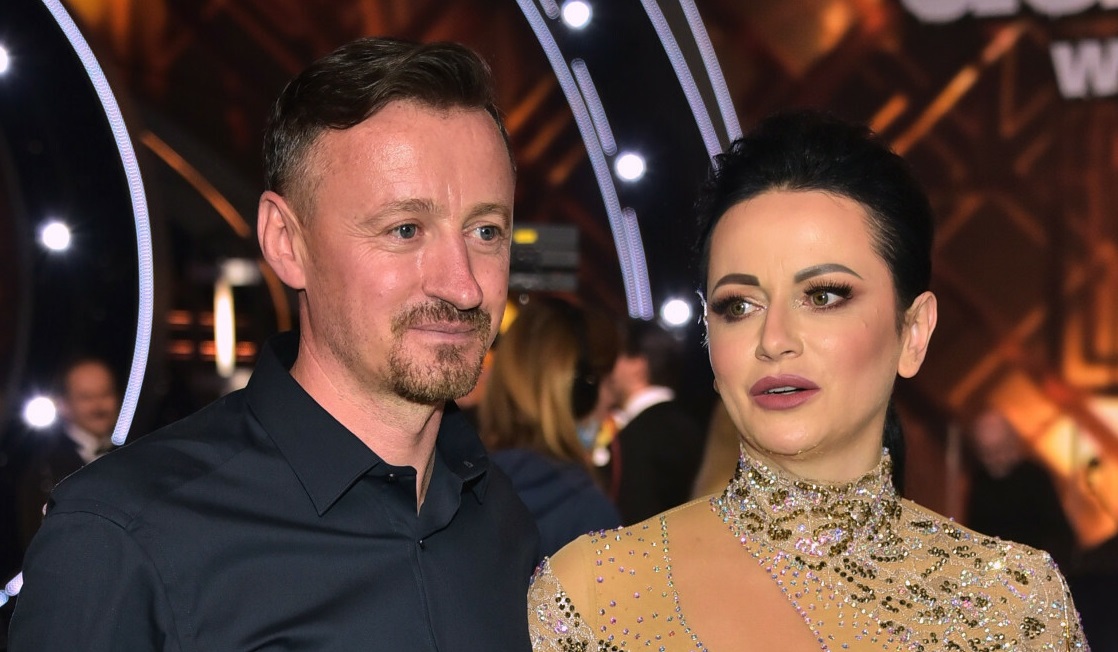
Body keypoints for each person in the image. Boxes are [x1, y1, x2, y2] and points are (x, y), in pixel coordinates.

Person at [11, 37, 538, 651]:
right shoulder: (123, 540)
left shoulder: (502, 521)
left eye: (486, 231)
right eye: (404, 229)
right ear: (286, 242)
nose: (463, 285)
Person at [527, 110, 1089, 650]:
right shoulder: (592, 593)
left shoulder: (1016, 603)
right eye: (738, 305)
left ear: (914, 332)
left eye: (823, 296)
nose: (774, 339)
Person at [480, 296, 621, 556]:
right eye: (607, 384)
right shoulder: (588, 514)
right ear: (579, 393)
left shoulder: (451, 491)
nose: (612, 399)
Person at [13, 357, 121, 558]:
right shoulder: (44, 467)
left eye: (105, 394)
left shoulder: (133, 453)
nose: (98, 406)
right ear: (64, 405)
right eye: (86, 397)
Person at [602, 318, 707, 524]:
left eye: (615, 357)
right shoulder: (697, 426)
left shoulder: (632, 440)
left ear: (637, 366)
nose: (608, 370)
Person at [966, 408, 1077, 570]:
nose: (997, 458)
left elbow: (1060, 536)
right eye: (988, 453)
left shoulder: (1035, 478)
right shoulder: (980, 483)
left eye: (1000, 449)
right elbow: (975, 537)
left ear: (1013, 443)